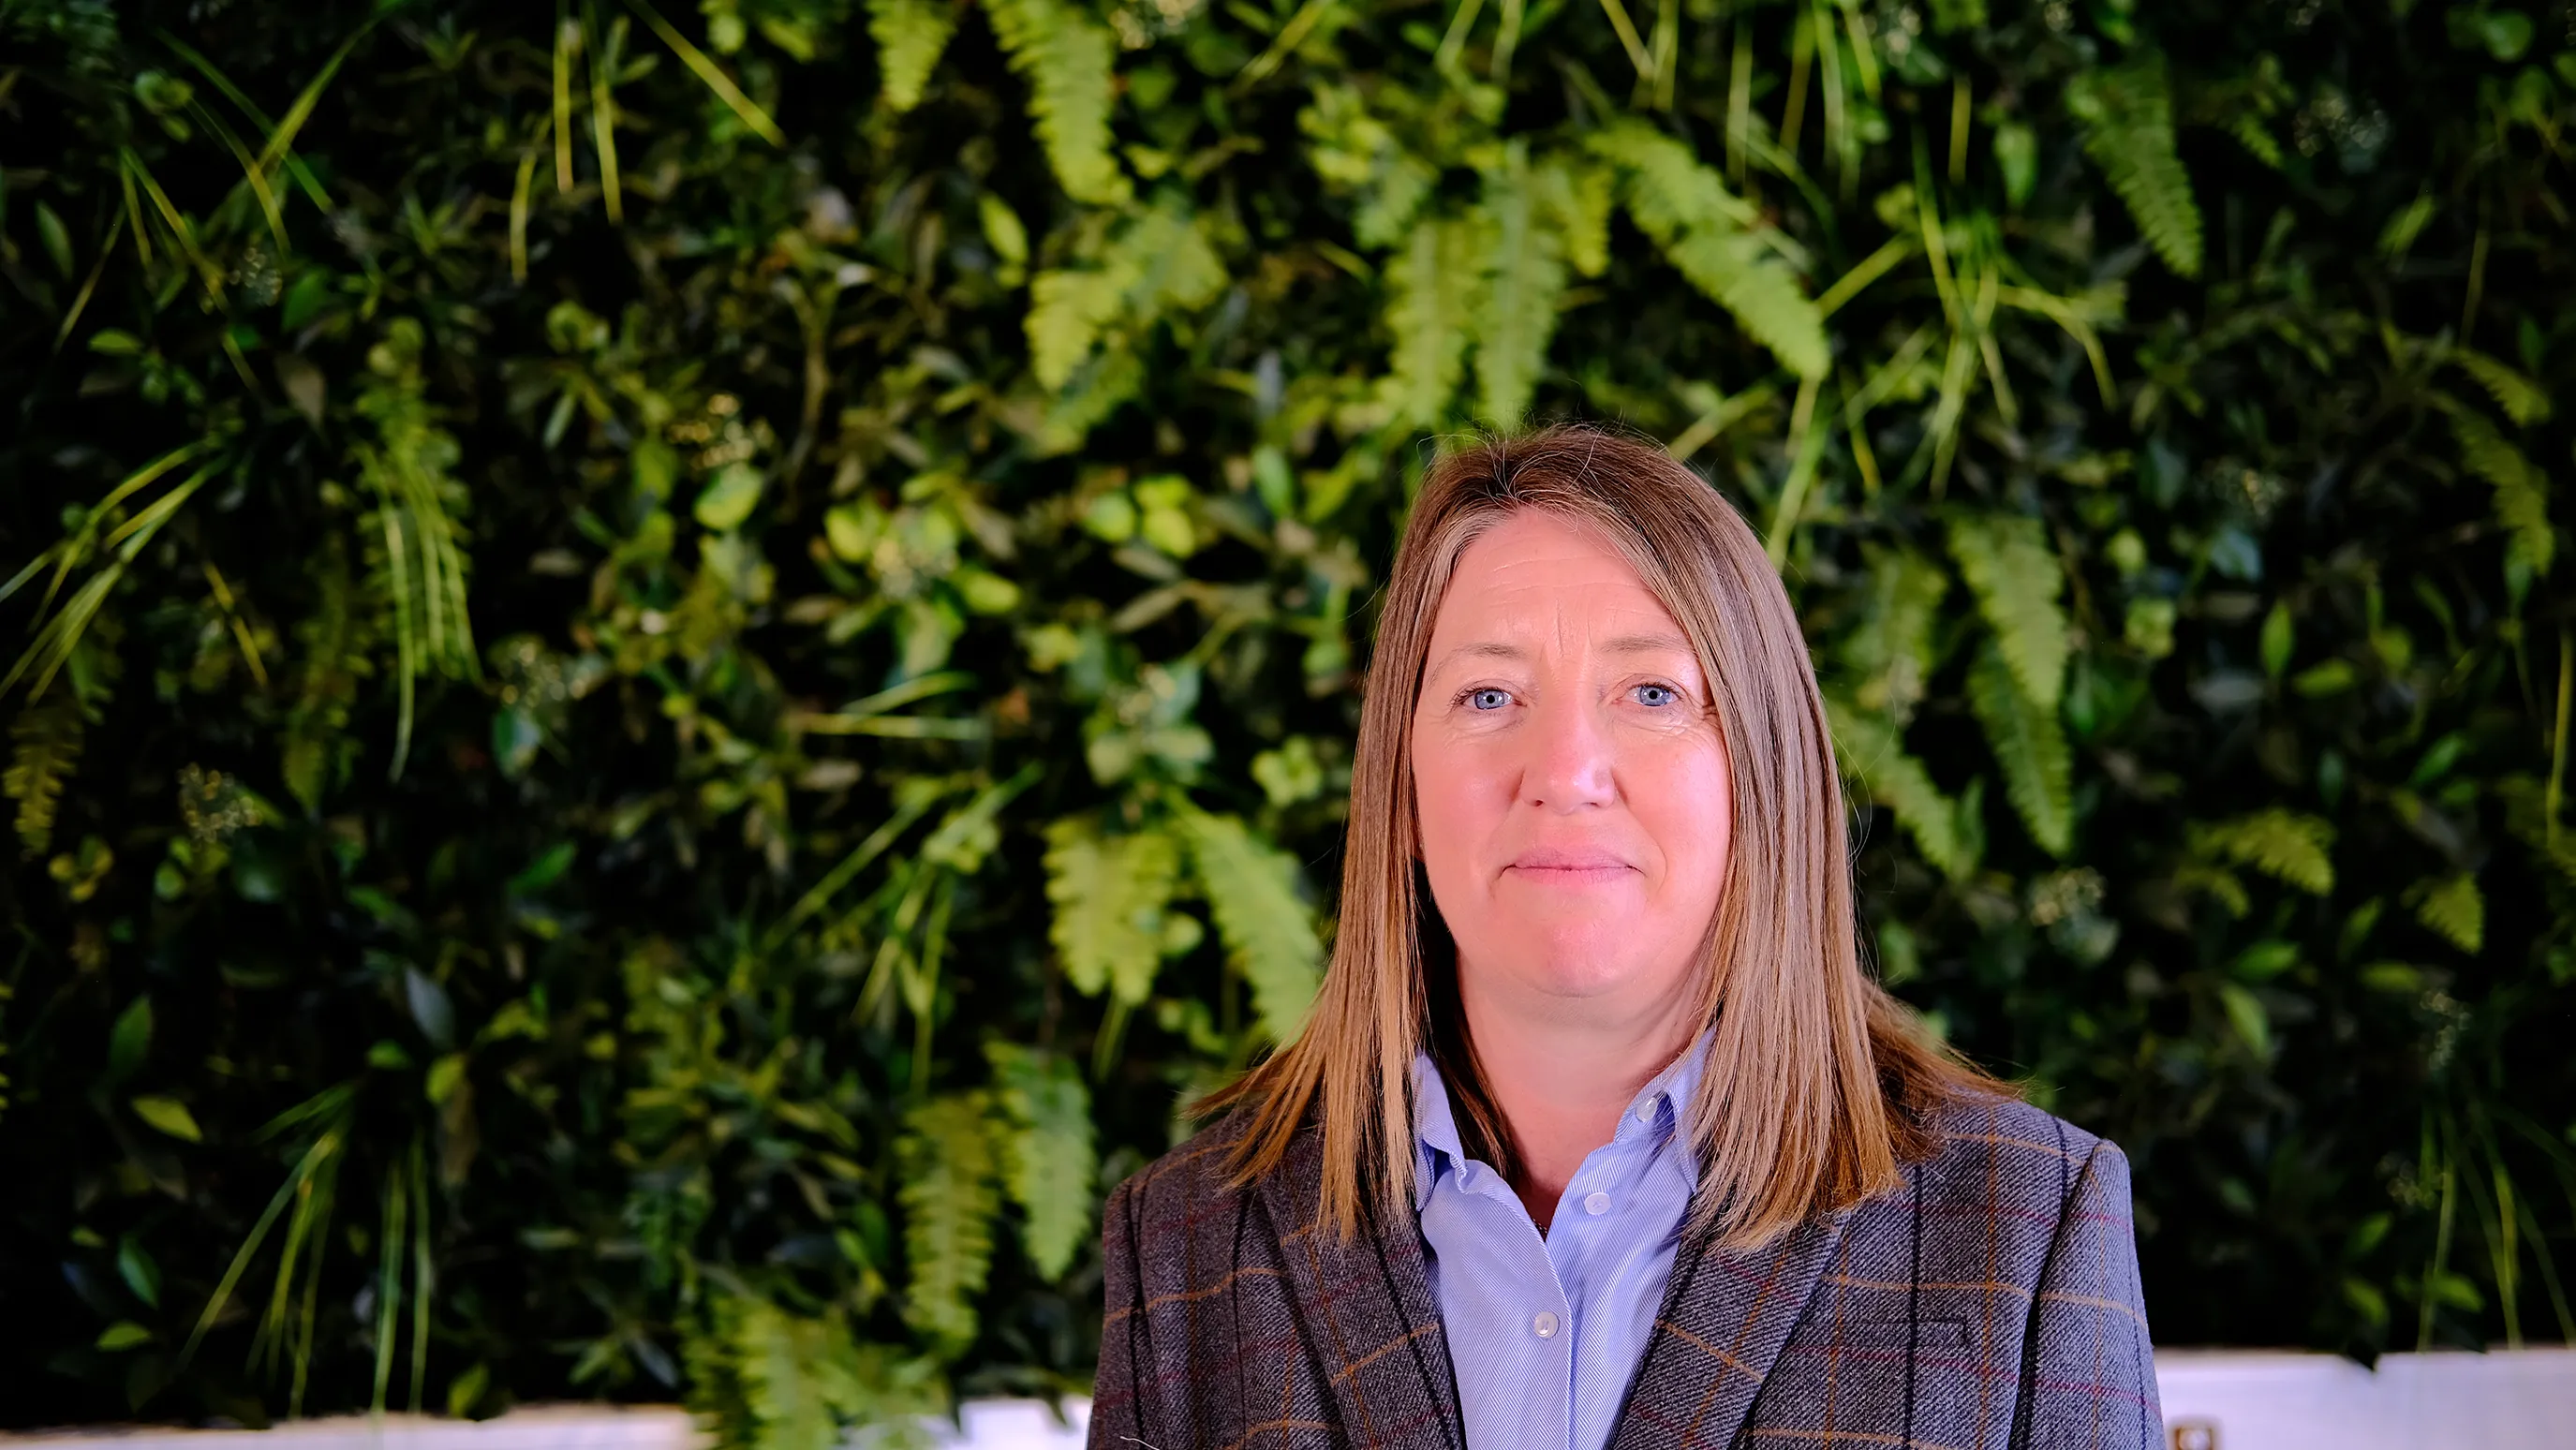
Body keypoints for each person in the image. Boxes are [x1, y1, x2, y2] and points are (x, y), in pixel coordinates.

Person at [1087, 424, 2160, 1450]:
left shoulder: (2021, 1228)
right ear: (1401, 789)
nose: (1562, 773)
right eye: (1488, 693)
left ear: (1761, 776)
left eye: (1650, 692)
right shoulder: (1187, 1243)